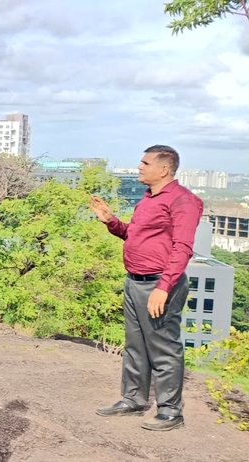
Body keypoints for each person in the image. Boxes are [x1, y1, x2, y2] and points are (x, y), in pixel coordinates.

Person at [90, 145, 203, 432]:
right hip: (135, 280)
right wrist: (111, 222)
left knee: (164, 346)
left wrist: (164, 287)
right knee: (136, 345)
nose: (139, 167)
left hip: (161, 283)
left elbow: (183, 247)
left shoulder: (183, 200)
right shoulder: (148, 198)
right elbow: (134, 234)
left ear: (164, 169)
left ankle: (170, 410)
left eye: (145, 163)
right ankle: (133, 399)